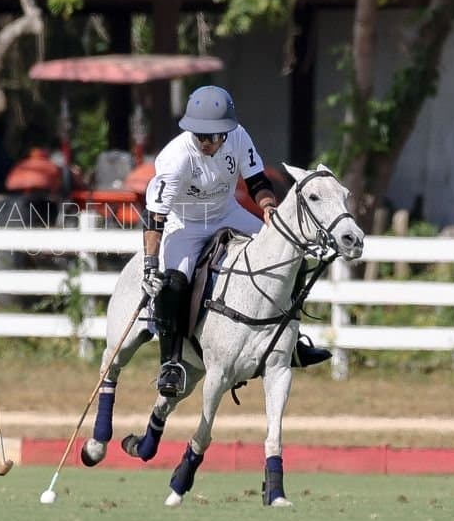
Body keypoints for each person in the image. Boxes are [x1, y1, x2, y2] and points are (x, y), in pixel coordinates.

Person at [141, 85, 331, 397]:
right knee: (173, 283)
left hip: (227, 212)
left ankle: (292, 340)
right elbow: (155, 215)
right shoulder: (175, 158)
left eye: (211, 136)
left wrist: (268, 207)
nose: (204, 142)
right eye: (198, 135)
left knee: (288, 256)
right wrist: (150, 265)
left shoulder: (239, 137)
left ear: (226, 132)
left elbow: (256, 180)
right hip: (186, 224)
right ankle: (171, 363)